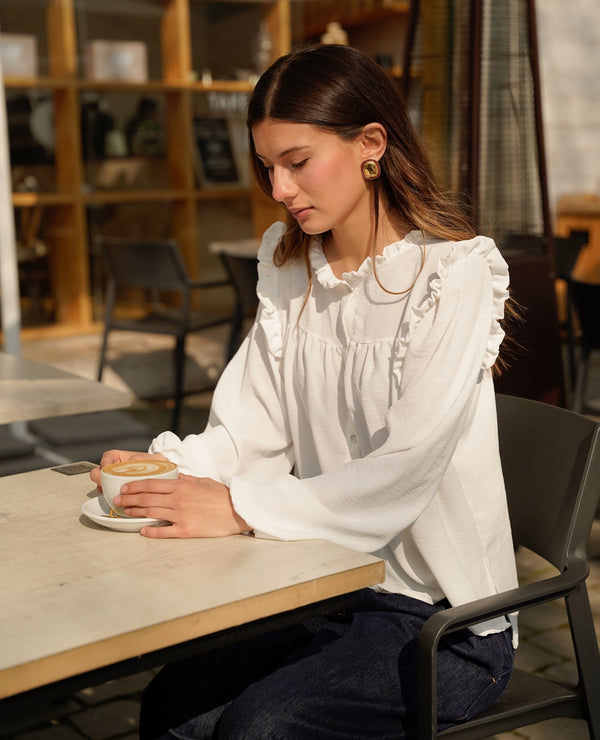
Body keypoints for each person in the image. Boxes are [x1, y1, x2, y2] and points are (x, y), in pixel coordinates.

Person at [90, 44, 518, 740]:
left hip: (448, 622)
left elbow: (403, 472)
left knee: (263, 728)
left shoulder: (454, 276)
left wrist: (238, 505)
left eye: (297, 161)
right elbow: (248, 431)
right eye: (268, 167)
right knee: (173, 704)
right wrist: (159, 478)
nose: (280, 189)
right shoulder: (292, 270)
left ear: (370, 145)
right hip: (329, 584)